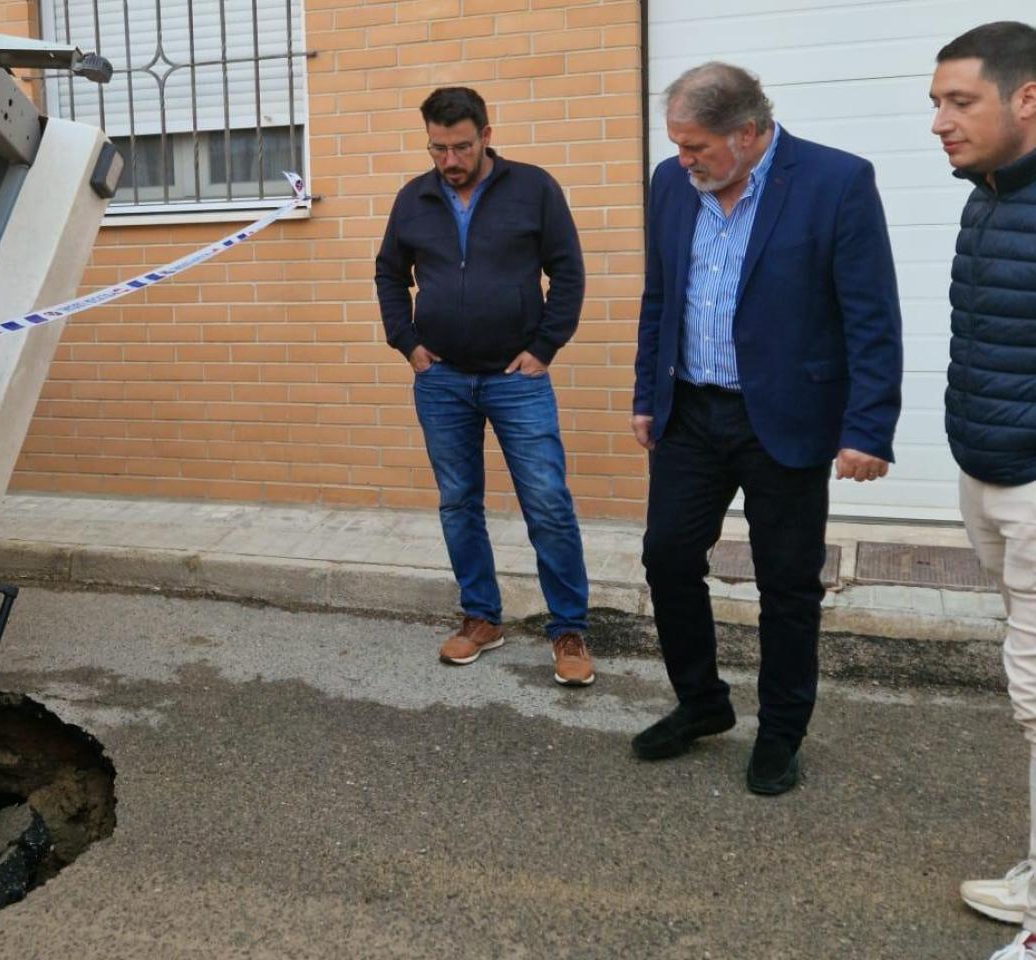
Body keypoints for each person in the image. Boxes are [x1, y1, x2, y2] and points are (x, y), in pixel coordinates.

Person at [630, 62, 902, 795]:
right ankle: (702, 703)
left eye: (698, 148)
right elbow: (660, 295)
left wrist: (868, 427)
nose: (684, 161)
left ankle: (781, 731)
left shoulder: (834, 182)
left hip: (783, 417)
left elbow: (871, 314)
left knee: (786, 583)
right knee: (666, 556)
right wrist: (646, 394)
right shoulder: (669, 183)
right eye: (678, 146)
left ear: (748, 133)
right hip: (691, 410)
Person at [373, 86, 594, 686]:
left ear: (486, 136)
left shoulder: (533, 188)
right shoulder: (413, 199)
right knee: (458, 500)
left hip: (515, 379)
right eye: (438, 148)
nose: (450, 160)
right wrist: (407, 343)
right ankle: (480, 617)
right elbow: (390, 275)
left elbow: (568, 271)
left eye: (461, 146)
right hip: (441, 378)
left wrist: (544, 347)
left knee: (546, 502)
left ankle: (568, 628)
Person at [928, 22, 1036, 960]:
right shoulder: (986, 199)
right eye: (936, 102)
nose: (939, 121)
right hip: (989, 470)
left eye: (960, 101)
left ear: (1027, 98)